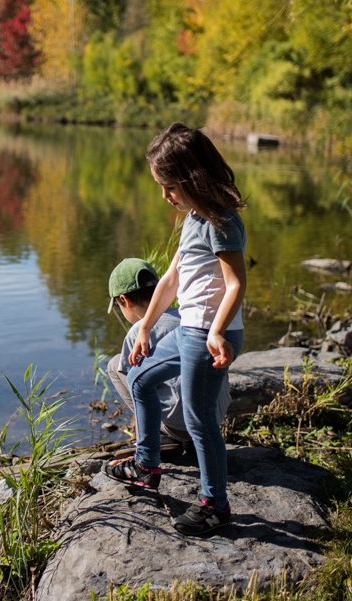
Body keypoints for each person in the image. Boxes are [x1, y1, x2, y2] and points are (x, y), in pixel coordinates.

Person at [103, 122, 247, 536]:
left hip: (210, 335)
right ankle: (147, 467)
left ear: (191, 178)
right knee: (142, 380)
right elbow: (170, 280)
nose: (165, 196)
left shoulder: (222, 223)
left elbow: (236, 283)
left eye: (168, 186)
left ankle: (215, 505)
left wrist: (218, 331)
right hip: (188, 329)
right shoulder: (192, 219)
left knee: (200, 419)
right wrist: (146, 326)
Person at [105, 258, 232, 459]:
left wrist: (143, 445)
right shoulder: (190, 318)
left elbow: (139, 389)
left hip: (181, 426)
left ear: (125, 301)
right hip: (214, 418)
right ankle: (191, 439)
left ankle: (155, 437)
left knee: (115, 365)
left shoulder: (138, 332)